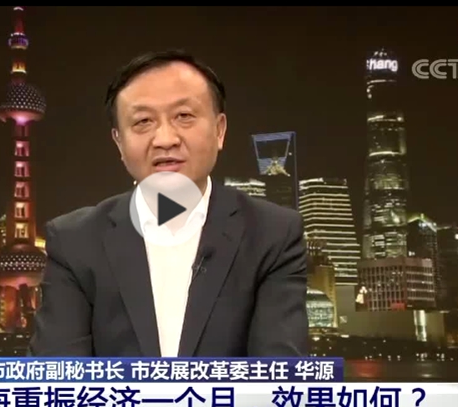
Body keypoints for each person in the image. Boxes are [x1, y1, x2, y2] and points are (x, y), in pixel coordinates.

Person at [29, 49, 309, 357]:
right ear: (118, 142)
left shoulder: (272, 235)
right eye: (143, 121)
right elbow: (57, 375)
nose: (165, 139)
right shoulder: (75, 242)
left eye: (184, 116)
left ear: (219, 130)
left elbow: (279, 374)